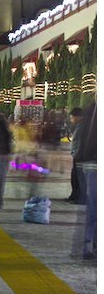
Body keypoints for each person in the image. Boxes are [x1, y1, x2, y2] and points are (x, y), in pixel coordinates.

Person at [75, 103, 97, 259]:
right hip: (94, 165)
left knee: (93, 208)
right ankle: (88, 246)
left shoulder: (90, 111)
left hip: (89, 165)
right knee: (94, 209)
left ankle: (88, 246)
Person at [66, 107, 86, 204]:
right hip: (77, 155)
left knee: (78, 178)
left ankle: (78, 198)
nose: (71, 120)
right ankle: (73, 196)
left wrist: (77, 153)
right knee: (74, 177)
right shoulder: (79, 126)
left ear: (78, 116)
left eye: (72, 118)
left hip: (79, 156)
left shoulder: (83, 127)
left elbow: (81, 142)